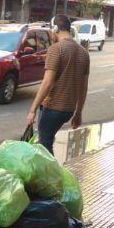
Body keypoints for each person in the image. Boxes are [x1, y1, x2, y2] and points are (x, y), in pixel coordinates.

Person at [26, 14, 90, 154]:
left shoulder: (56, 49)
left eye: (50, 29)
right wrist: (78, 113)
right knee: (47, 140)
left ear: (55, 28)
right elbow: (83, 87)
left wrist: (32, 109)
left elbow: (47, 82)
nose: (50, 33)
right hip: (68, 110)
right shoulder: (84, 53)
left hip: (53, 107)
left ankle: (52, 175)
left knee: (45, 145)